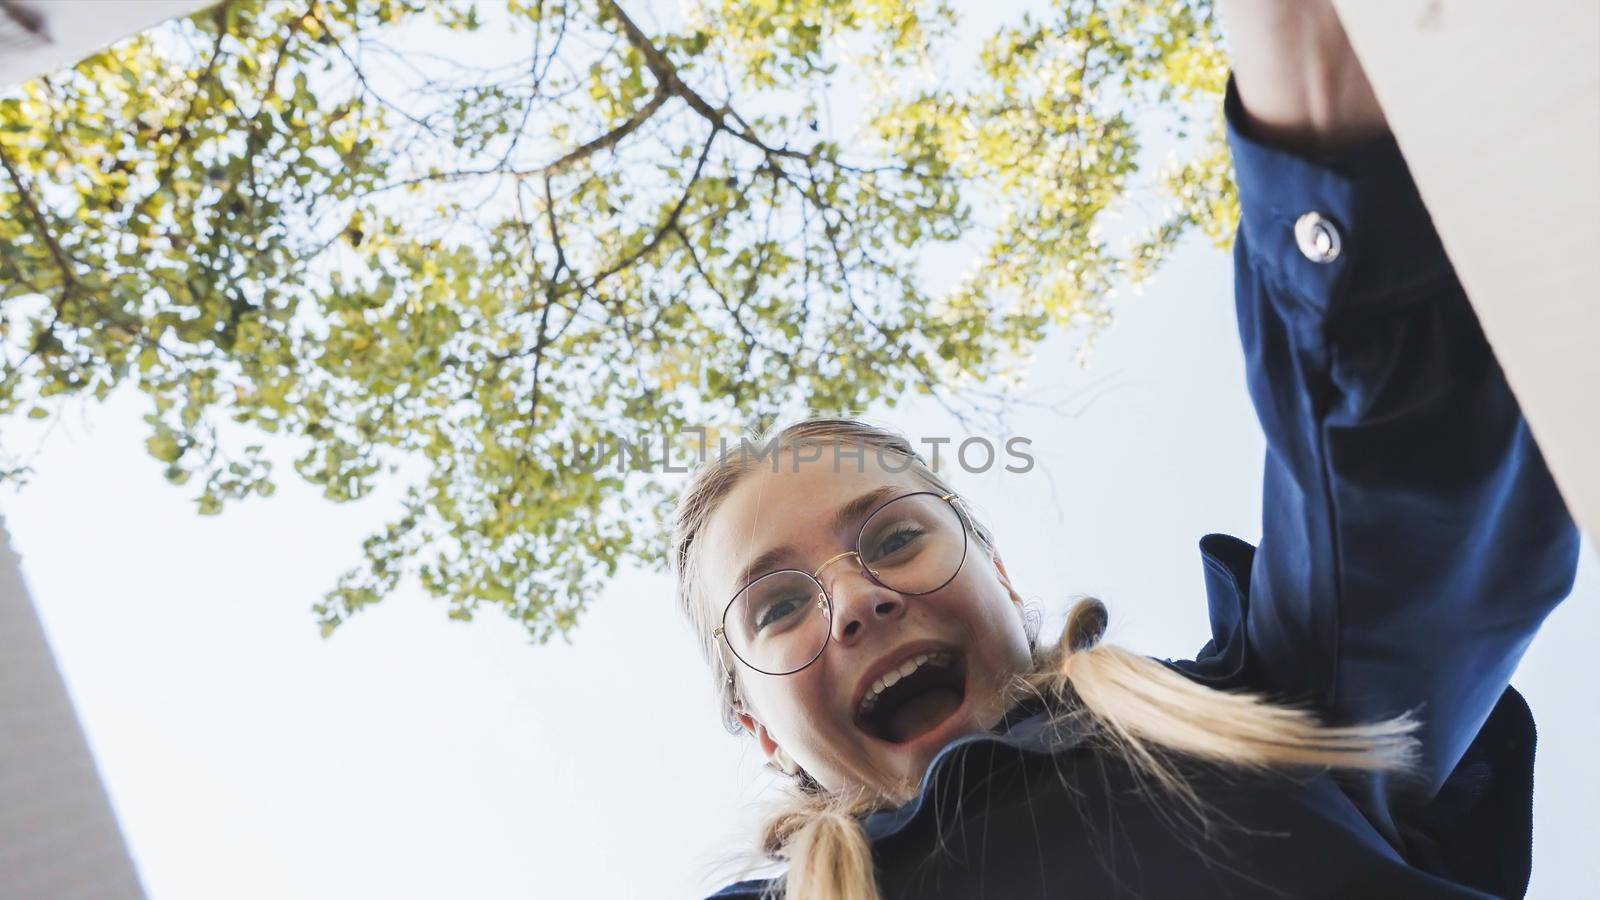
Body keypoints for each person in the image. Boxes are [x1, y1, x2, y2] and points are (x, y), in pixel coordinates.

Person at [670, 1, 1582, 897]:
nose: (858, 601)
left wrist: (1311, 98)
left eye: (899, 539)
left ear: (1003, 577)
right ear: (759, 730)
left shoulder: (1269, 715)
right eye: (779, 605)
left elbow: (1408, 474)